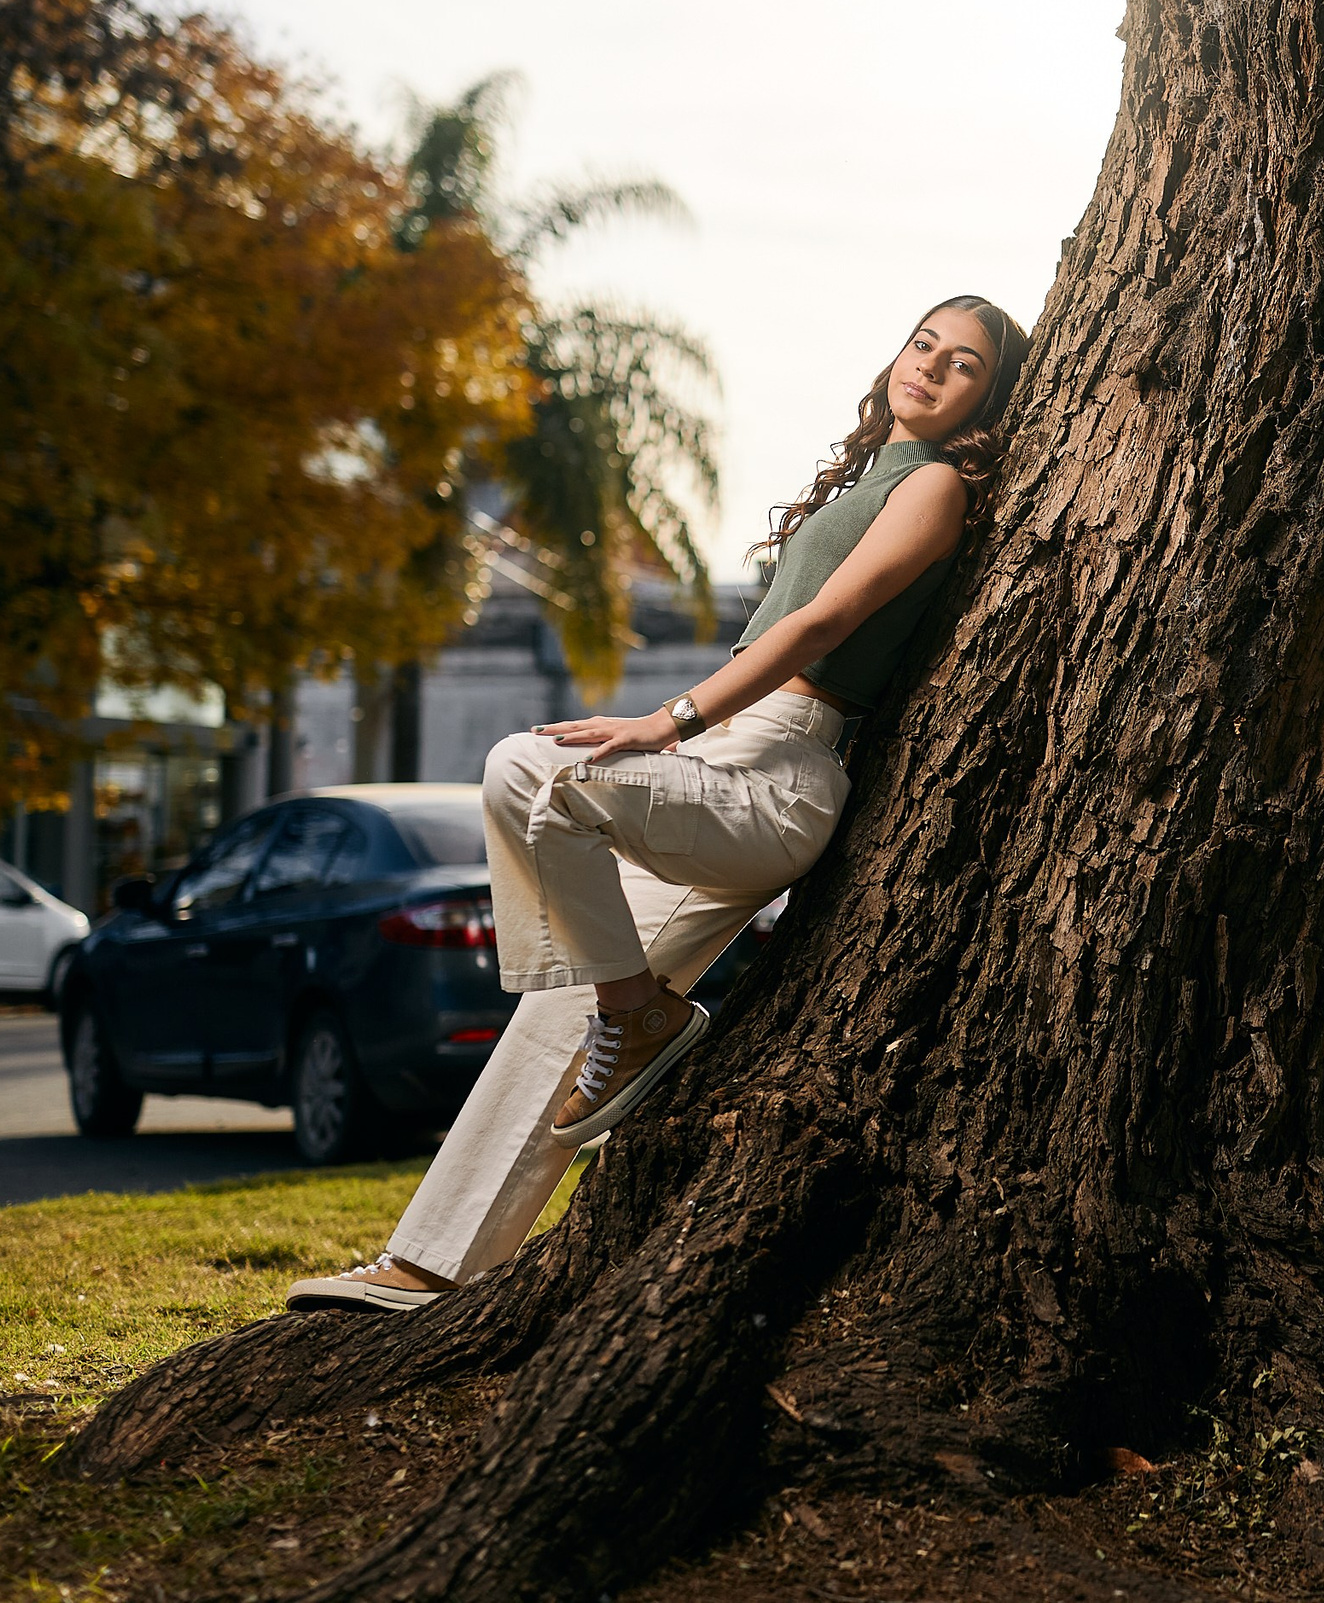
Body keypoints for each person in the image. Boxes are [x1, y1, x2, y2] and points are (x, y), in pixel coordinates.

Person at [287, 296, 1030, 1312]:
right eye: (924, 345)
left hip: (774, 773)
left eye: (965, 367)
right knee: (556, 1012)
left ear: (987, 401)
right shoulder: (866, 475)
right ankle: (431, 1264)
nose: (932, 370)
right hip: (724, 759)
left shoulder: (936, 487)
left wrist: (665, 722)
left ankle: (638, 1017)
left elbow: (825, 619)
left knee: (529, 769)